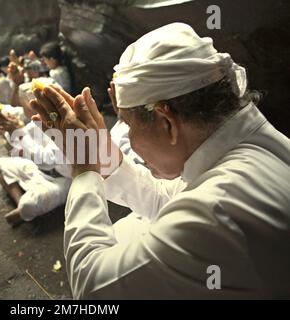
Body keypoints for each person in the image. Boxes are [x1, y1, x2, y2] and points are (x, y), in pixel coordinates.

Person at [31, 23, 290, 299]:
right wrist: (102, 157)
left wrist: (84, 171)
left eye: (128, 124)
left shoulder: (216, 209)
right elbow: (164, 199)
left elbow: (93, 287)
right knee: (130, 228)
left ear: (167, 123)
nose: (127, 136)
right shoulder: (246, 143)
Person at [0, 85, 72, 227]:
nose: (22, 108)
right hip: (41, 172)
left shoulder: (64, 123)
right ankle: (21, 207)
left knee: (30, 204)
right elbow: (19, 145)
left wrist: (18, 131)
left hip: (64, 180)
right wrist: (11, 129)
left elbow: (46, 161)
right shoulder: (36, 121)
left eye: (24, 104)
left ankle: (24, 208)